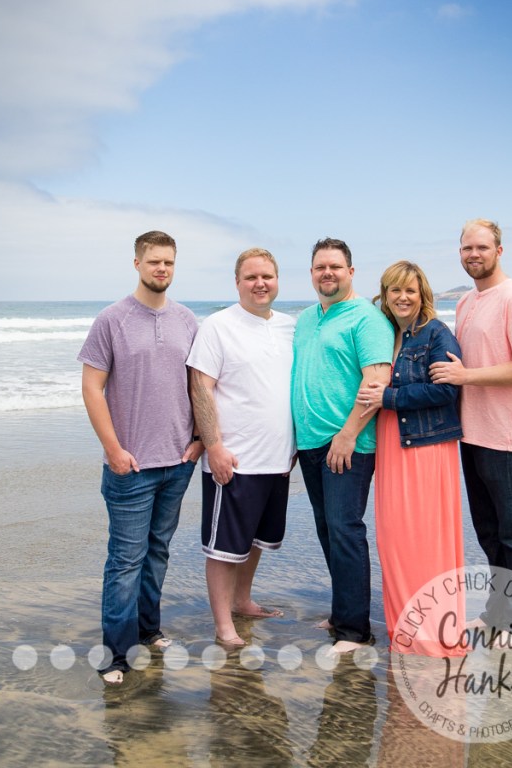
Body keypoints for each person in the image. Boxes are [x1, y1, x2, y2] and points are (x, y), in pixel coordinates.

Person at [78, 230, 202, 685]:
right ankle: (116, 654)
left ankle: (148, 630)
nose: (161, 269)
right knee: (125, 560)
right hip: (130, 465)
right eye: (153, 262)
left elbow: (199, 387)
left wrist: (200, 441)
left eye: (168, 262)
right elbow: (92, 387)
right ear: (136, 263)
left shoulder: (188, 320)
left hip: (177, 461)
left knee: (158, 552)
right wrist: (113, 450)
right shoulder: (111, 320)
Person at [429, 219, 512, 642]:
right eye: (466, 249)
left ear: (499, 250)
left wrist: (466, 377)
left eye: (481, 247)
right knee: (489, 532)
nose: (473, 254)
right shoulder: (465, 303)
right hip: (473, 434)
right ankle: (498, 614)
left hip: (509, 436)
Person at [356, 261, 465, 656]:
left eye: (411, 291)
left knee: (425, 537)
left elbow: (446, 391)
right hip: (391, 441)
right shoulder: (387, 335)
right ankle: (404, 626)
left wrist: (389, 398)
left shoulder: (436, 333)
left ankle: (433, 633)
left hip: (426, 447)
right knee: (395, 538)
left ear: (423, 296)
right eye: (395, 291)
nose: (403, 298)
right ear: (384, 295)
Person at [187, 248, 295, 647]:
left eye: (267, 276)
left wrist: (294, 446)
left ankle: (243, 600)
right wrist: (212, 445)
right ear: (237, 283)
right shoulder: (218, 326)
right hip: (234, 458)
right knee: (224, 546)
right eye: (251, 277)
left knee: (255, 540)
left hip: (278, 458)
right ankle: (223, 626)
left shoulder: (290, 327)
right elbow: (200, 386)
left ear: (278, 279)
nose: (260, 283)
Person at [291, 238, 394, 654]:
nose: (327, 273)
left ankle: (355, 631)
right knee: (326, 529)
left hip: (348, 443)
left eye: (335, 266)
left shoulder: (366, 319)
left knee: (345, 530)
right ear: (312, 273)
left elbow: (377, 381)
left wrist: (348, 434)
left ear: (351, 272)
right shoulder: (305, 319)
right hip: (311, 442)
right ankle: (342, 613)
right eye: (320, 267)